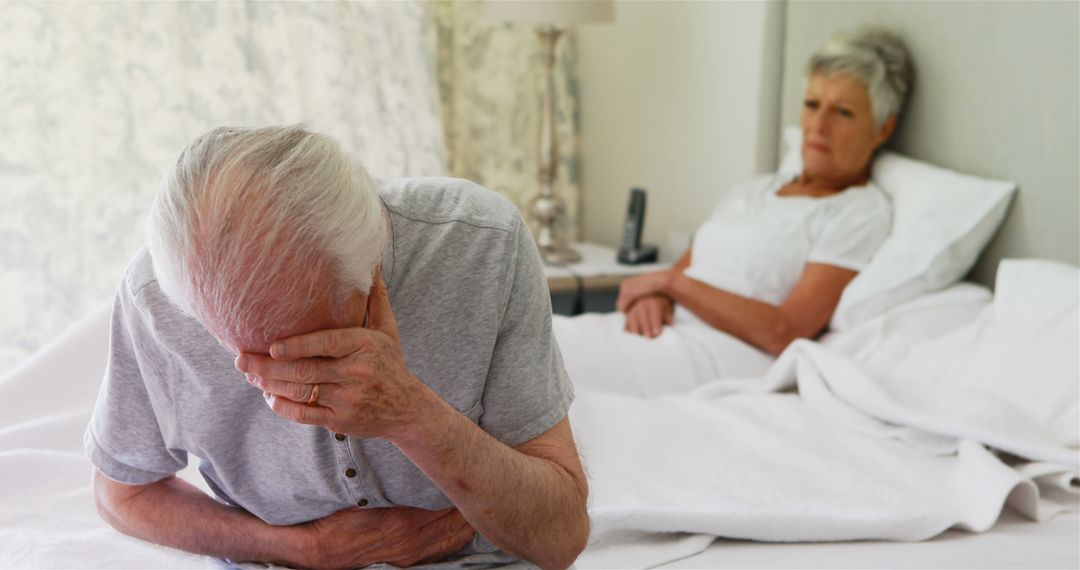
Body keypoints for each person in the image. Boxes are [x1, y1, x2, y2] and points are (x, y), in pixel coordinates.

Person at [85, 125, 589, 569]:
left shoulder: (482, 243)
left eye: (317, 352)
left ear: (372, 270)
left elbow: (561, 539)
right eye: (242, 358)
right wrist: (299, 548)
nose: (292, 395)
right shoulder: (152, 298)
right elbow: (121, 495)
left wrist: (410, 413)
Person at [554, 28, 913, 395]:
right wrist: (655, 298)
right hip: (658, 330)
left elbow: (785, 330)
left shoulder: (859, 212)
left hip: (719, 352)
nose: (819, 125)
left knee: (534, 376)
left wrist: (670, 285)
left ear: (883, 128)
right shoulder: (757, 190)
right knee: (524, 341)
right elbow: (685, 270)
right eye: (811, 104)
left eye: (843, 112)